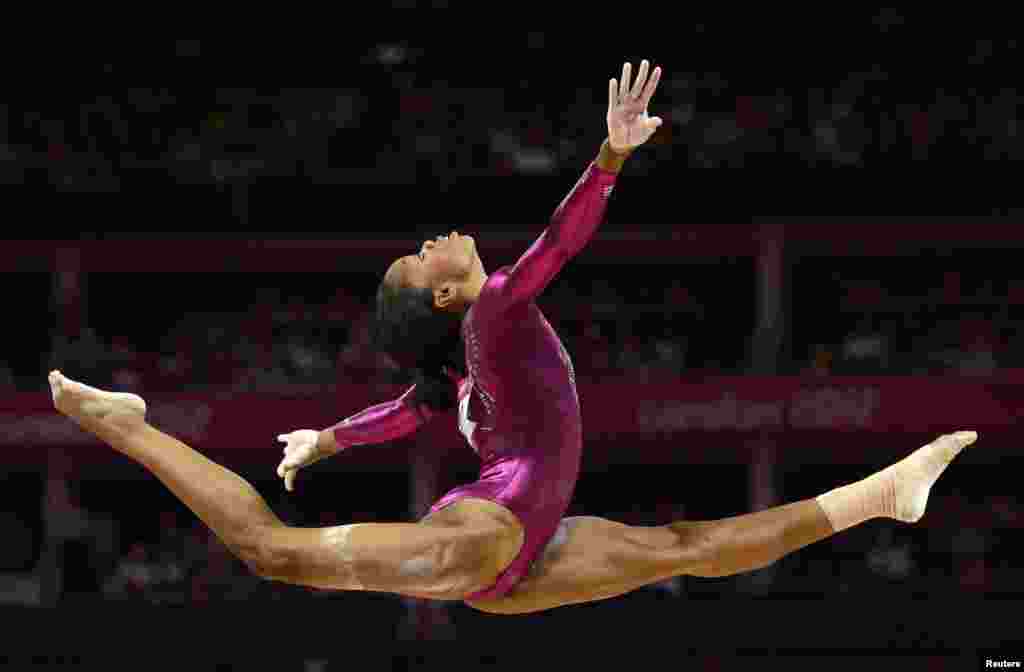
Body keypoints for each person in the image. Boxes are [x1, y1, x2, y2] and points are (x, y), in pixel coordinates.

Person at [47, 60, 978, 615]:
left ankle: (881, 495)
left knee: (689, 547)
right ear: (449, 296)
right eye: (420, 258)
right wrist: (611, 156)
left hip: (518, 555)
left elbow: (404, 414)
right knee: (275, 553)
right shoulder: (493, 306)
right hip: (488, 538)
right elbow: (557, 243)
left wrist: (329, 436)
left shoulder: (469, 358)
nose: (429, 241)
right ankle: (129, 424)